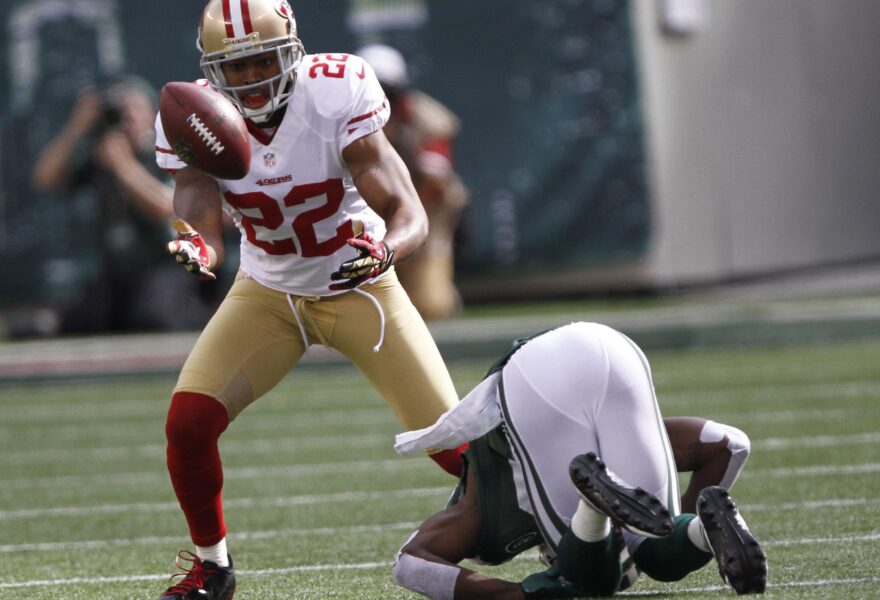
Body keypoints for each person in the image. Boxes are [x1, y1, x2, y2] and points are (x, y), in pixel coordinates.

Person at [152, 2, 466, 598]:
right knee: (188, 425)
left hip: (357, 284)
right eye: (235, 66)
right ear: (213, 69)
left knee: (453, 446)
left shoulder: (335, 90)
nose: (250, 78)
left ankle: (558, 519)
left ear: (291, 53)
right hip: (267, 290)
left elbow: (409, 211)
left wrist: (386, 250)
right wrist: (196, 242)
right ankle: (212, 569)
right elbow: (197, 204)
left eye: (262, 61)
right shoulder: (193, 113)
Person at [392, 322, 768, 598]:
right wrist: (677, 526)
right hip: (608, 344)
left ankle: (592, 505)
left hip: (531, 377)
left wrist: (516, 594)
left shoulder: (482, 516)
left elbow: (407, 564)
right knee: (657, 543)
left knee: (593, 581)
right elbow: (731, 445)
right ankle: (701, 532)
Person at [31, 75, 215, 334]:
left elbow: (167, 208)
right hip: (117, 269)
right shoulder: (100, 158)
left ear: (150, 114)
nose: (126, 117)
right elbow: (45, 179)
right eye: (120, 110)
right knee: (80, 322)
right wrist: (76, 127)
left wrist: (123, 166)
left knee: (151, 317)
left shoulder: (165, 155)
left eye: (133, 108)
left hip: (165, 263)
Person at [357, 43, 468, 320]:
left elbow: (436, 187)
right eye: (373, 92)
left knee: (431, 305)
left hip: (423, 218)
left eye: (388, 93)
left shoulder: (428, 121)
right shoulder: (339, 120)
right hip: (363, 221)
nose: (382, 101)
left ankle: (442, 286)